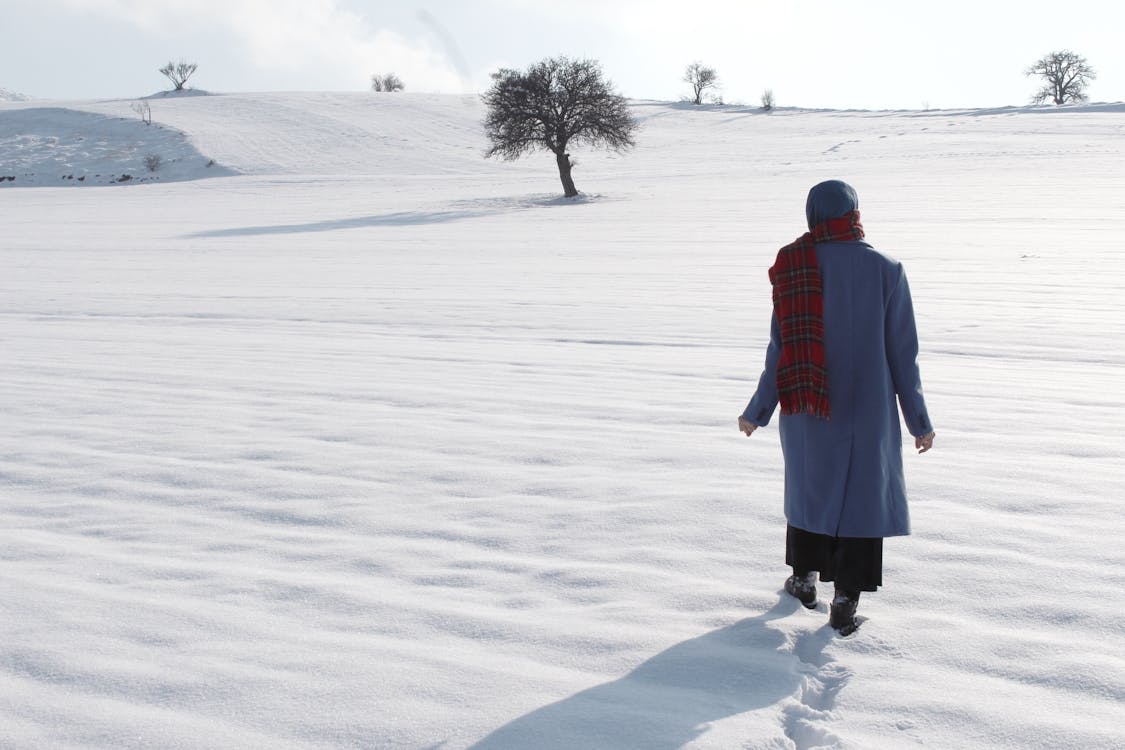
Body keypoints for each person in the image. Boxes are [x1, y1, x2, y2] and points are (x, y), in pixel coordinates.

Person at [738, 180, 935, 635]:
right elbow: (903, 352)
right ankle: (845, 601)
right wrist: (918, 421)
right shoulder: (886, 267)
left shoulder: (792, 265)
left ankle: (803, 579)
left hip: (808, 407)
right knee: (862, 502)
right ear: (853, 213)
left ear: (812, 214)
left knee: (813, 494)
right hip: (869, 411)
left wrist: (758, 409)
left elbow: (782, 349)